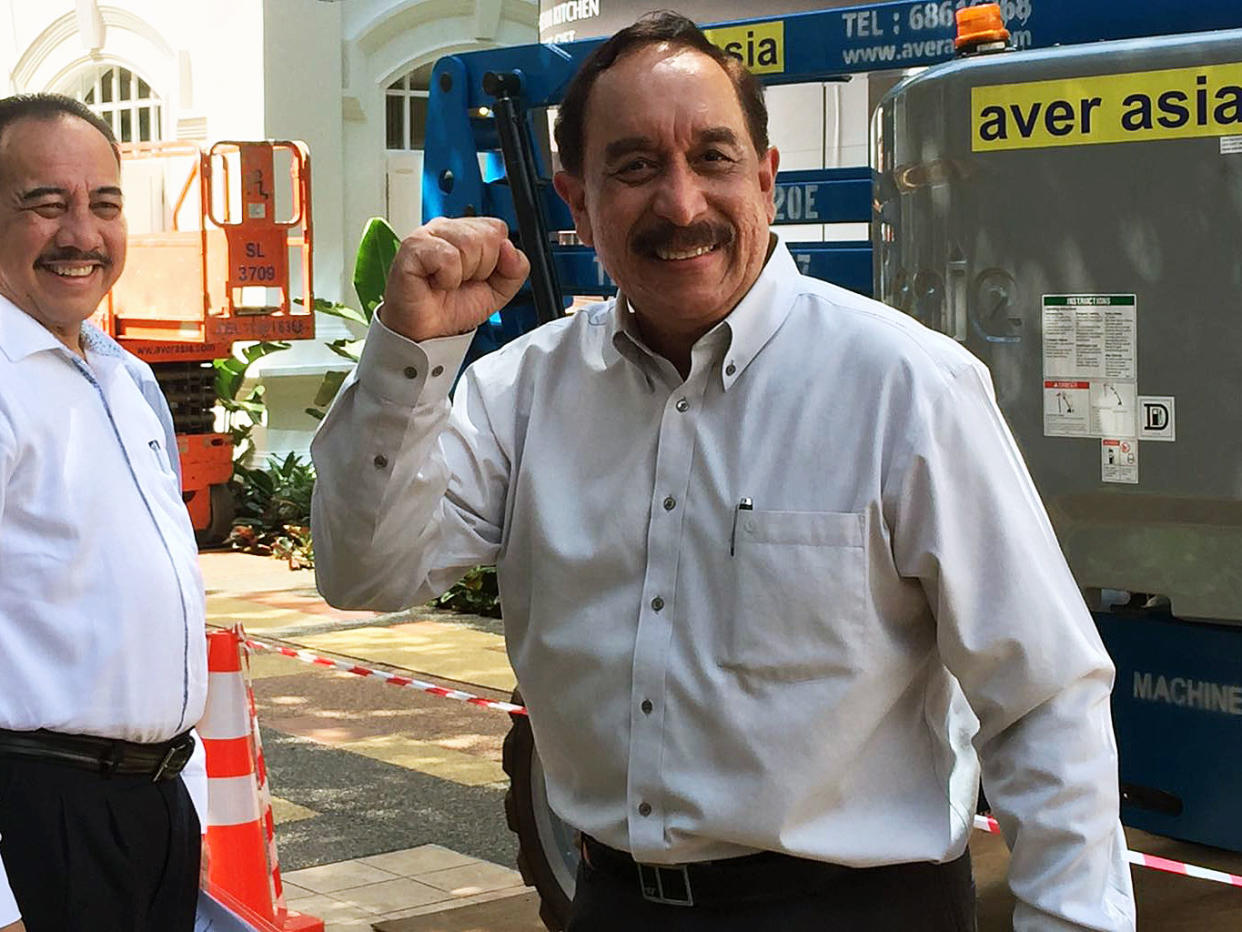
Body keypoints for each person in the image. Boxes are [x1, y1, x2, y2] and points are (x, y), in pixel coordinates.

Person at [311, 12, 1135, 930]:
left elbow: (1043, 697)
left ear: (766, 178)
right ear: (575, 202)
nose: (681, 203)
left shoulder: (906, 388)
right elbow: (365, 573)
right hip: (617, 906)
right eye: (634, 166)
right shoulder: (521, 393)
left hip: (862, 911)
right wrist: (407, 357)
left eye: (713, 158)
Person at [0, 94, 206, 932]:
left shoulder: (126, 377)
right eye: (46, 204)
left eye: (105, 204)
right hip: (39, 820)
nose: (82, 234)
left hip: (152, 807)